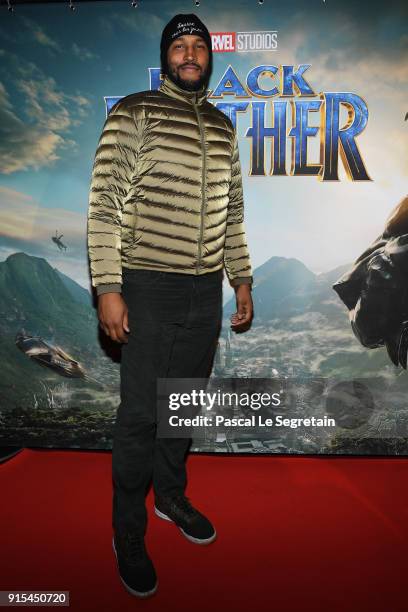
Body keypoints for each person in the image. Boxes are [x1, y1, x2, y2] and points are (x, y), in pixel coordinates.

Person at [87, 13, 253, 598]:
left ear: (209, 59)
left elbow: (233, 213)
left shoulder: (222, 126)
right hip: (147, 285)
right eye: (179, 46)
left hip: (206, 288)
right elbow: (105, 204)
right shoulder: (133, 112)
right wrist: (108, 285)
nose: (189, 54)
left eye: (198, 47)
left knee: (182, 407)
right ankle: (127, 530)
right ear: (166, 58)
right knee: (138, 415)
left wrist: (241, 279)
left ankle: (171, 498)